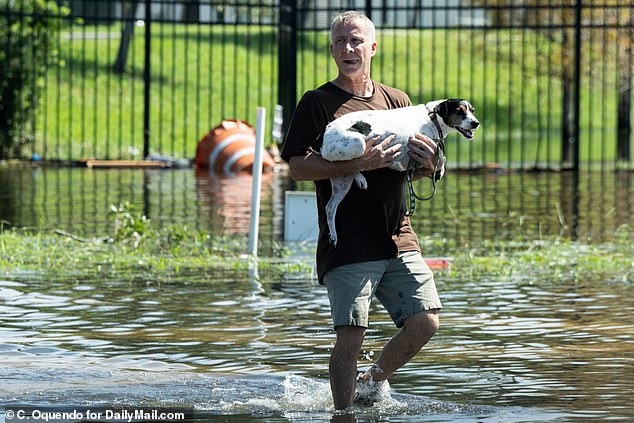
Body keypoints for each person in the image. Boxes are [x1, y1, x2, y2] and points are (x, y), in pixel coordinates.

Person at [280, 10, 444, 411]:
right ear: (332, 49)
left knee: (425, 322)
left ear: (373, 47)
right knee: (351, 335)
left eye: (356, 41)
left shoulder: (399, 102)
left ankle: (371, 382)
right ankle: (342, 414)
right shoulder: (318, 103)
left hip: (397, 234)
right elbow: (297, 167)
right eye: (340, 41)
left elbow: (416, 172)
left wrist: (429, 162)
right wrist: (356, 164)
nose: (347, 49)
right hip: (349, 242)